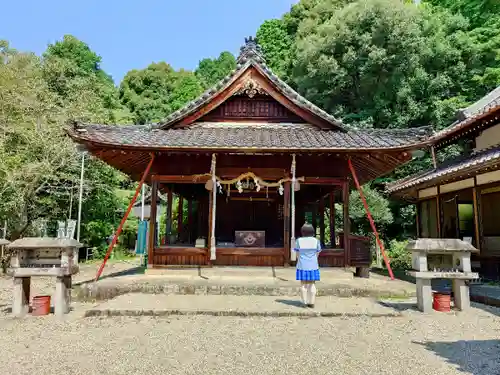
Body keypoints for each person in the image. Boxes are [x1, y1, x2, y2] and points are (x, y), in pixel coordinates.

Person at [294, 223, 321, 308]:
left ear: (303, 231)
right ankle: (312, 302)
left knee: (303, 284)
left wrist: (300, 259)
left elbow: (297, 253)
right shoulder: (316, 240)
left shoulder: (299, 240)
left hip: (302, 265)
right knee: (312, 284)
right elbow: (318, 252)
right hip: (313, 265)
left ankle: (304, 303)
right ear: (312, 231)